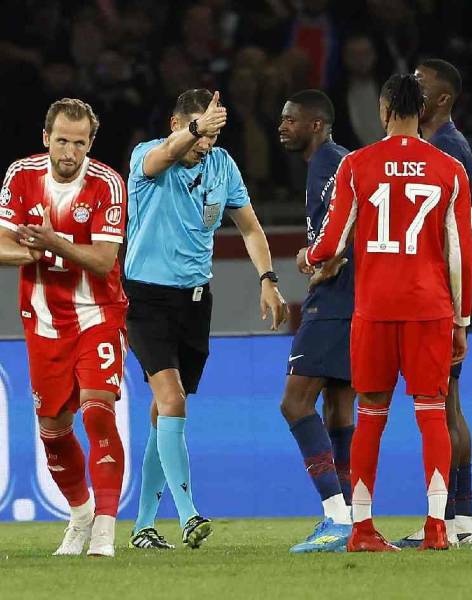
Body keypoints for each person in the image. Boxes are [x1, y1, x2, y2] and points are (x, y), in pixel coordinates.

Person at [297, 73, 472, 552]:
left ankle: (362, 528)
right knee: (432, 413)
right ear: (421, 111)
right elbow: (460, 253)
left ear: (383, 110)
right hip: (429, 309)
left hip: (374, 309)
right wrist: (461, 321)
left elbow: (332, 241)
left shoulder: (357, 164)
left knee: (371, 413)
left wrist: (311, 256)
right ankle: (437, 526)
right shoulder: (450, 169)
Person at [126, 89, 287, 550]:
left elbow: (250, 227)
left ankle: (142, 527)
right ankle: (188, 514)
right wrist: (196, 130)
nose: (206, 144)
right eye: (199, 133)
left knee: (164, 411)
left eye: (214, 135)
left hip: (196, 303)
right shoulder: (146, 157)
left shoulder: (222, 166)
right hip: (147, 299)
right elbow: (163, 157)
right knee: (173, 400)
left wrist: (268, 279)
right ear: (177, 124)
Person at [0, 98, 128, 557]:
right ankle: (81, 515)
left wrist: (52, 242)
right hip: (43, 321)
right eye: (61, 141)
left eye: (79, 143)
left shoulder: (107, 184)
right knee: (53, 431)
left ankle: (105, 531)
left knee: (98, 411)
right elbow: (1, 243)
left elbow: (104, 260)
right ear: (46, 138)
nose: (69, 152)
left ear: (90, 143)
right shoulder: (21, 176)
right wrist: (33, 253)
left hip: (98, 314)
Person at [392, 58, 472, 548]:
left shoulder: (446, 149)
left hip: (438, 297)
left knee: (443, 406)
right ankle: (461, 520)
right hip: (441, 294)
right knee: (449, 404)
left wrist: (453, 306)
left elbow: (456, 235)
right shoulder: (442, 145)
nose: (410, 88)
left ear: (443, 99)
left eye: (420, 84)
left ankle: (449, 519)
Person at [277, 89, 355, 553]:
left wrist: (317, 258)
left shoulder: (328, 161)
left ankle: (337, 516)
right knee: (339, 409)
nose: (282, 126)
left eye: (291, 119)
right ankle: (351, 518)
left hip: (335, 302)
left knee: (295, 403)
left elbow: (347, 223)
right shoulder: (335, 161)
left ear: (317, 125)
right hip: (354, 301)